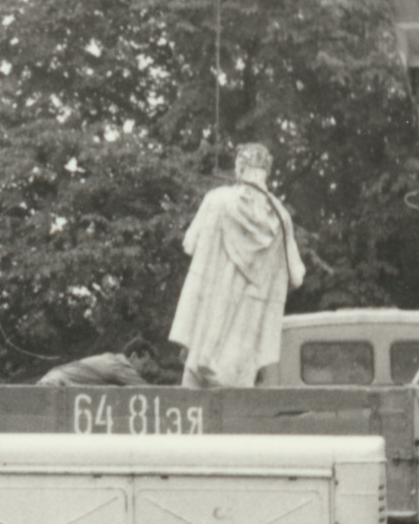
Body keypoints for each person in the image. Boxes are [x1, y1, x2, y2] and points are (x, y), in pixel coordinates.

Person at [169, 142, 305, 388]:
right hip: (242, 355)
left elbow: (189, 244)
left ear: (240, 168)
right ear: (266, 171)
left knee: (192, 403)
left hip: (204, 341)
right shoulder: (281, 217)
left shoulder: (217, 200)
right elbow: (297, 277)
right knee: (236, 411)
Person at [37, 338, 166, 387]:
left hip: (53, 380)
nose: (146, 370)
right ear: (133, 357)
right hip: (54, 384)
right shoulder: (120, 366)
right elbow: (150, 392)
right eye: (145, 364)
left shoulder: (112, 360)